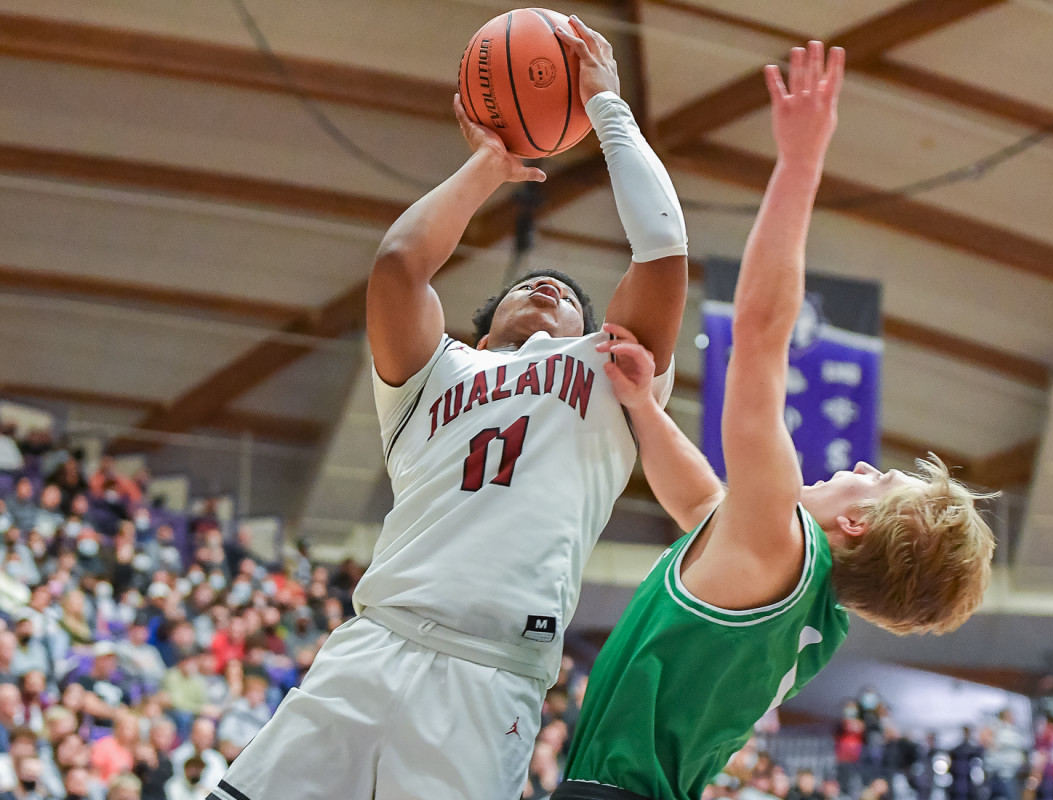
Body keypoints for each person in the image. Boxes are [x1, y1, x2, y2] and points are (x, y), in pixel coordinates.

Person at [209, 13, 688, 800]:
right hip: (374, 644)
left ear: (589, 329)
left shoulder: (612, 374)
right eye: (530, 286)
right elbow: (400, 264)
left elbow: (662, 248)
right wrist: (486, 167)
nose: (548, 288)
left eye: (568, 297)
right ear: (485, 323)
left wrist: (608, 109)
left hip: (490, 674)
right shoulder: (432, 373)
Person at [551, 42, 995, 800]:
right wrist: (643, 414)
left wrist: (799, 164)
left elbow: (759, 332)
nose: (860, 468)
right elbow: (702, 509)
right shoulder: (811, 611)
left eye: (877, 482)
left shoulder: (778, 538)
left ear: (856, 526)